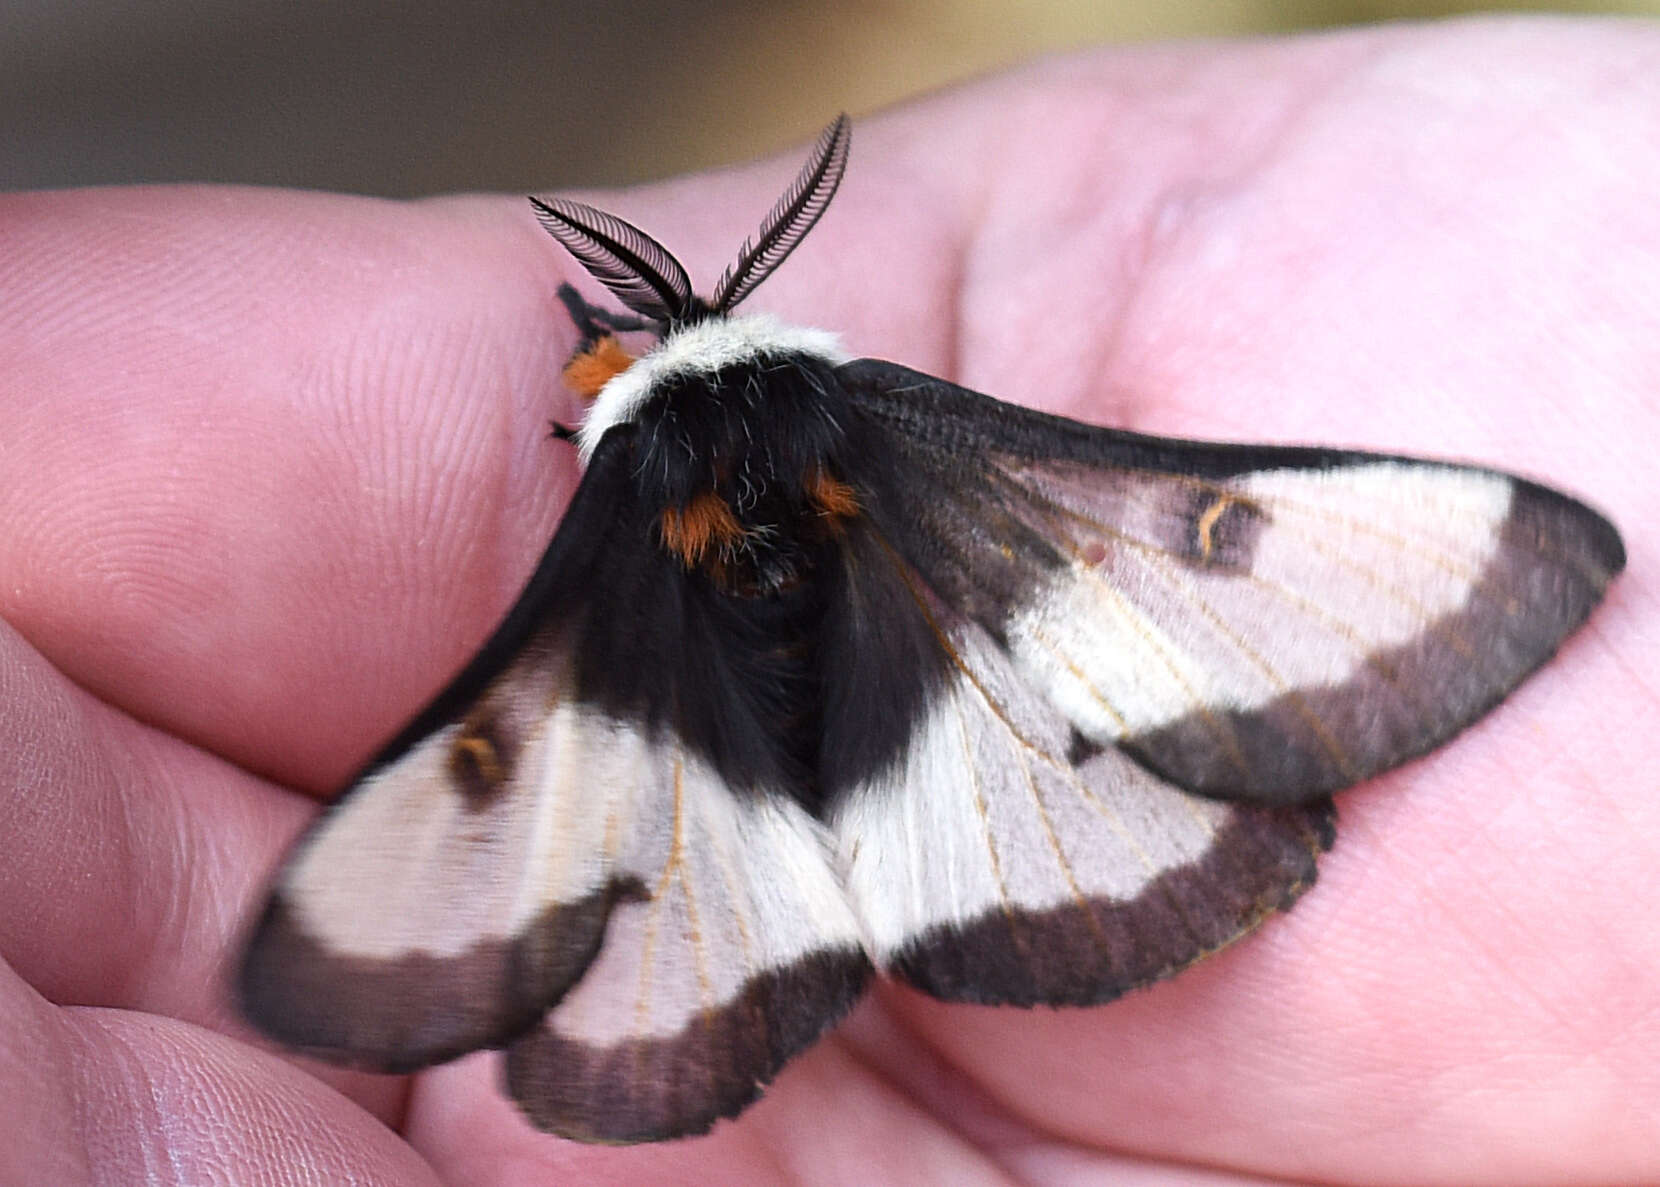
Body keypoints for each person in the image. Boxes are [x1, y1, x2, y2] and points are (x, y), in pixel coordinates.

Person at [1, 20, 1654, 1184]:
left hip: (696, 749)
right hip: (1004, 750)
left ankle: (779, 889)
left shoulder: (618, 470)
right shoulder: (901, 434)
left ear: (611, 418)